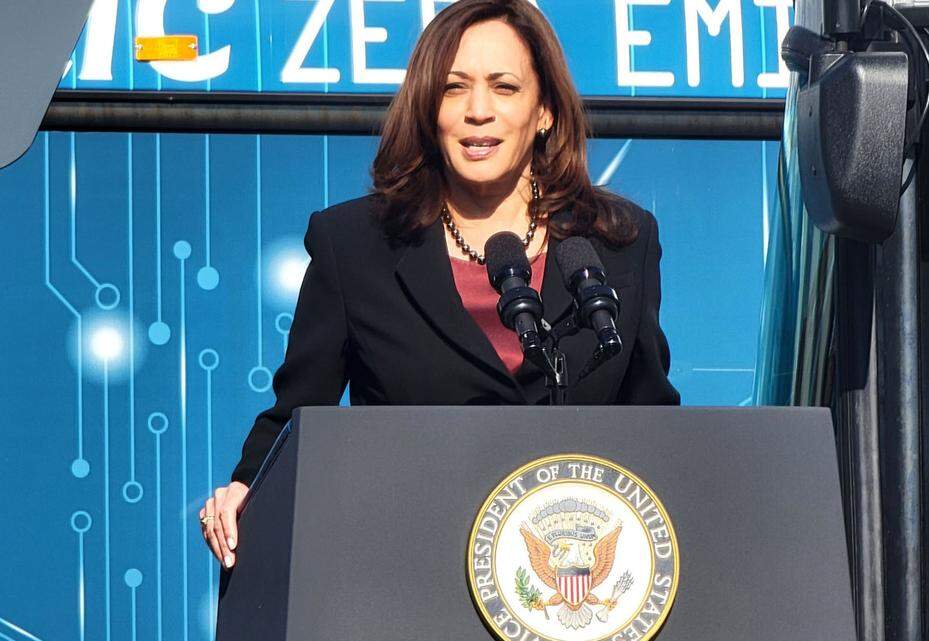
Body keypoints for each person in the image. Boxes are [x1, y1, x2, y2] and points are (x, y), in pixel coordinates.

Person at [198, 0, 679, 570]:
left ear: (545, 110)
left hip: (569, 582)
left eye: (504, 87)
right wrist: (247, 488)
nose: (479, 111)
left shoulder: (619, 242)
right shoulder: (352, 244)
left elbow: (653, 421)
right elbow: (297, 412)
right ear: (430, 110)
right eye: (454, 89)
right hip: (409, 568)